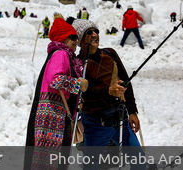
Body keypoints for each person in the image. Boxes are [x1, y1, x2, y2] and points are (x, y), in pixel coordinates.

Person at [72, 19, 143, 169]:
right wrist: (107, 90)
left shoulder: (110, 53)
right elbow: (83, 93)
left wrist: (132, 111)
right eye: (89, 32)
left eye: (96, 31)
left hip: (120, 117)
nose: (95, 34)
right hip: (95, 123)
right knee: (92, 166)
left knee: (139, 160)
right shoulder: (78, 63)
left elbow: (126, 82)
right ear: (80, 39)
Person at [25, 17, 88, 169]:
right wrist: (78, 84)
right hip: (52, 115)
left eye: (76, 37)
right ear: (62, 38)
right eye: (72, 37)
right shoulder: (61, 54)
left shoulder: (59, 53)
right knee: (50, 160)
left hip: (52, 112)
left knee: (45, 159)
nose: (75, 41)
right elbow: (55, 80)